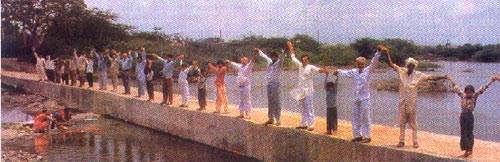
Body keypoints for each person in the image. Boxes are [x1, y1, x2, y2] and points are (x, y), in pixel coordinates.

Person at [386, 52, 448, 148]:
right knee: (402, 122)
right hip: (402, 103)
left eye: (412, 66)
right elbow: (391, 64)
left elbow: (431, 77)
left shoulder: (419, 75)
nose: (410, 67)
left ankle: (415, 141)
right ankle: (401, 141)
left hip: (412, 103)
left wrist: (443, 76)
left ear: (414, 66)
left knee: (413, 123)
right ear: (407, 66)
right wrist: (387, 53)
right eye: (409, 66)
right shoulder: (401, 71)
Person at [333, 45, 384, 143]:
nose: (360, 65)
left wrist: (378, 53)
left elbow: (374, 62)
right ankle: (357, 135)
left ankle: (367, 136)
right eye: (359, 64)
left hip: (365, 98)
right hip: (356, 98)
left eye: (362, 64)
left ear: (364, 63)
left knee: (365, 117)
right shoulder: (354, 72)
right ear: (357, 64)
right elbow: (346, 73)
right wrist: (338, 72)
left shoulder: (368, 70)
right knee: (355, 116)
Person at [447, 76, 492, 157]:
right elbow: (455, 87)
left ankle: (470, 151)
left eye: (470, 92)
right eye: (467, 92)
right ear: (465, 92)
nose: (469, 94)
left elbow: (483, 88)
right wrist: (450, 79)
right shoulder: (463, 96)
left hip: (469, 116)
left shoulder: (474, 96)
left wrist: (491, 81)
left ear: (472, 92)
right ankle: (466, 151)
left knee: (469, 133)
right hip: (463, 116)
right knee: (463, 133)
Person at [288, 41, 328, 131]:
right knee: (302, 108)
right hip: (301, 90)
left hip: (309, 90)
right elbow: (293, 57)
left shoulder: (311, 67)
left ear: (308, 60)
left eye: (305, 60)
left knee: (309, 107)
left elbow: (319, 70)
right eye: (302, 60)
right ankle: (303, 123)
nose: (303, 61)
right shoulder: (300, 65)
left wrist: (324, 70)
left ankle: (311, 124)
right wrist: (291, 47)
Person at [256, 48, 284, 125]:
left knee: (276, 101)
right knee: (270, 101)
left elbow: (282, 59)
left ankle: (278, 119)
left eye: (274, 57)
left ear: (277, 57)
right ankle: (271, 118)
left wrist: (282, 53)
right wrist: (259, 51)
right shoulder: (269, 63)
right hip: (269, 84)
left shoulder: (279, 64)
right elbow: (264, 56)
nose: (273, 58)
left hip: (275, 84)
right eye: (272, 57)